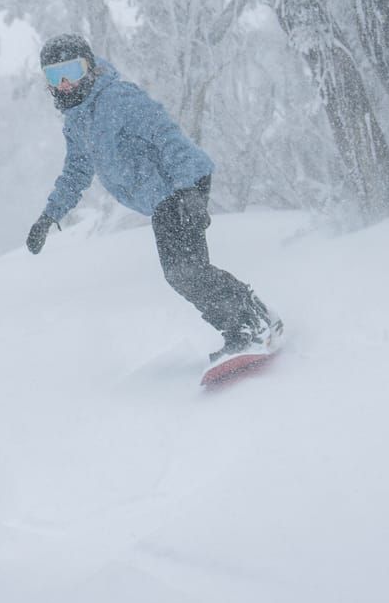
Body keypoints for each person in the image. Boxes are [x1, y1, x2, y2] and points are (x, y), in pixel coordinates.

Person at [25, 34, 280, 364]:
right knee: (185, 271)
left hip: (180, 183)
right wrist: (49, 216)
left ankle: (247, 327)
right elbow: (76, 172)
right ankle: (256, 318)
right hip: (165, 195)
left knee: (184, 271)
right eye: (54, 76)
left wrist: (188, 190)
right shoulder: (77, 122)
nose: (64, 84)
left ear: (89, 68)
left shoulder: (118, 98)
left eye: (71, 71)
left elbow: (167, 136)